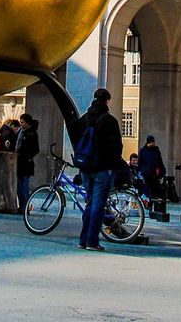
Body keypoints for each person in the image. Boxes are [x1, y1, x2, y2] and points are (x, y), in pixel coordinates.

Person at [74, 87, 123, 251]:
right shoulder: (110, 121)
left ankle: (83, 239)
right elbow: (116, 147)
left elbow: (76, 140)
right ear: (107, 101)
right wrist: (115, 166)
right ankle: (92, 241)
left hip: (86, 167)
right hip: (103, 168)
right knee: (98, 204)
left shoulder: (84, 119)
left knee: (90, 203)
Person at [15, 112, 40, 213]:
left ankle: (25, 206)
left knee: (24, 186)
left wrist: (28, 157)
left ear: (28, 123)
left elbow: (36, 149)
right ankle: (21, 205)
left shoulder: (32, 133)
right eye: (21, 122)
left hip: (26, 163)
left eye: (23, 122)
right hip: (19, 162)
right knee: (19, 186)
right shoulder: (21, 132)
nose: (21, 124)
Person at [138, 134, 165, 199]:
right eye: (153, 142)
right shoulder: (143, 151)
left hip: (154, 174)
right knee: (147, 191)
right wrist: (142, 171)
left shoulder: (156, 151)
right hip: (146, 174)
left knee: (155, 191)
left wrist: (162, 172)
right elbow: (140, 162)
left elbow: (160, 162)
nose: (154, 143)